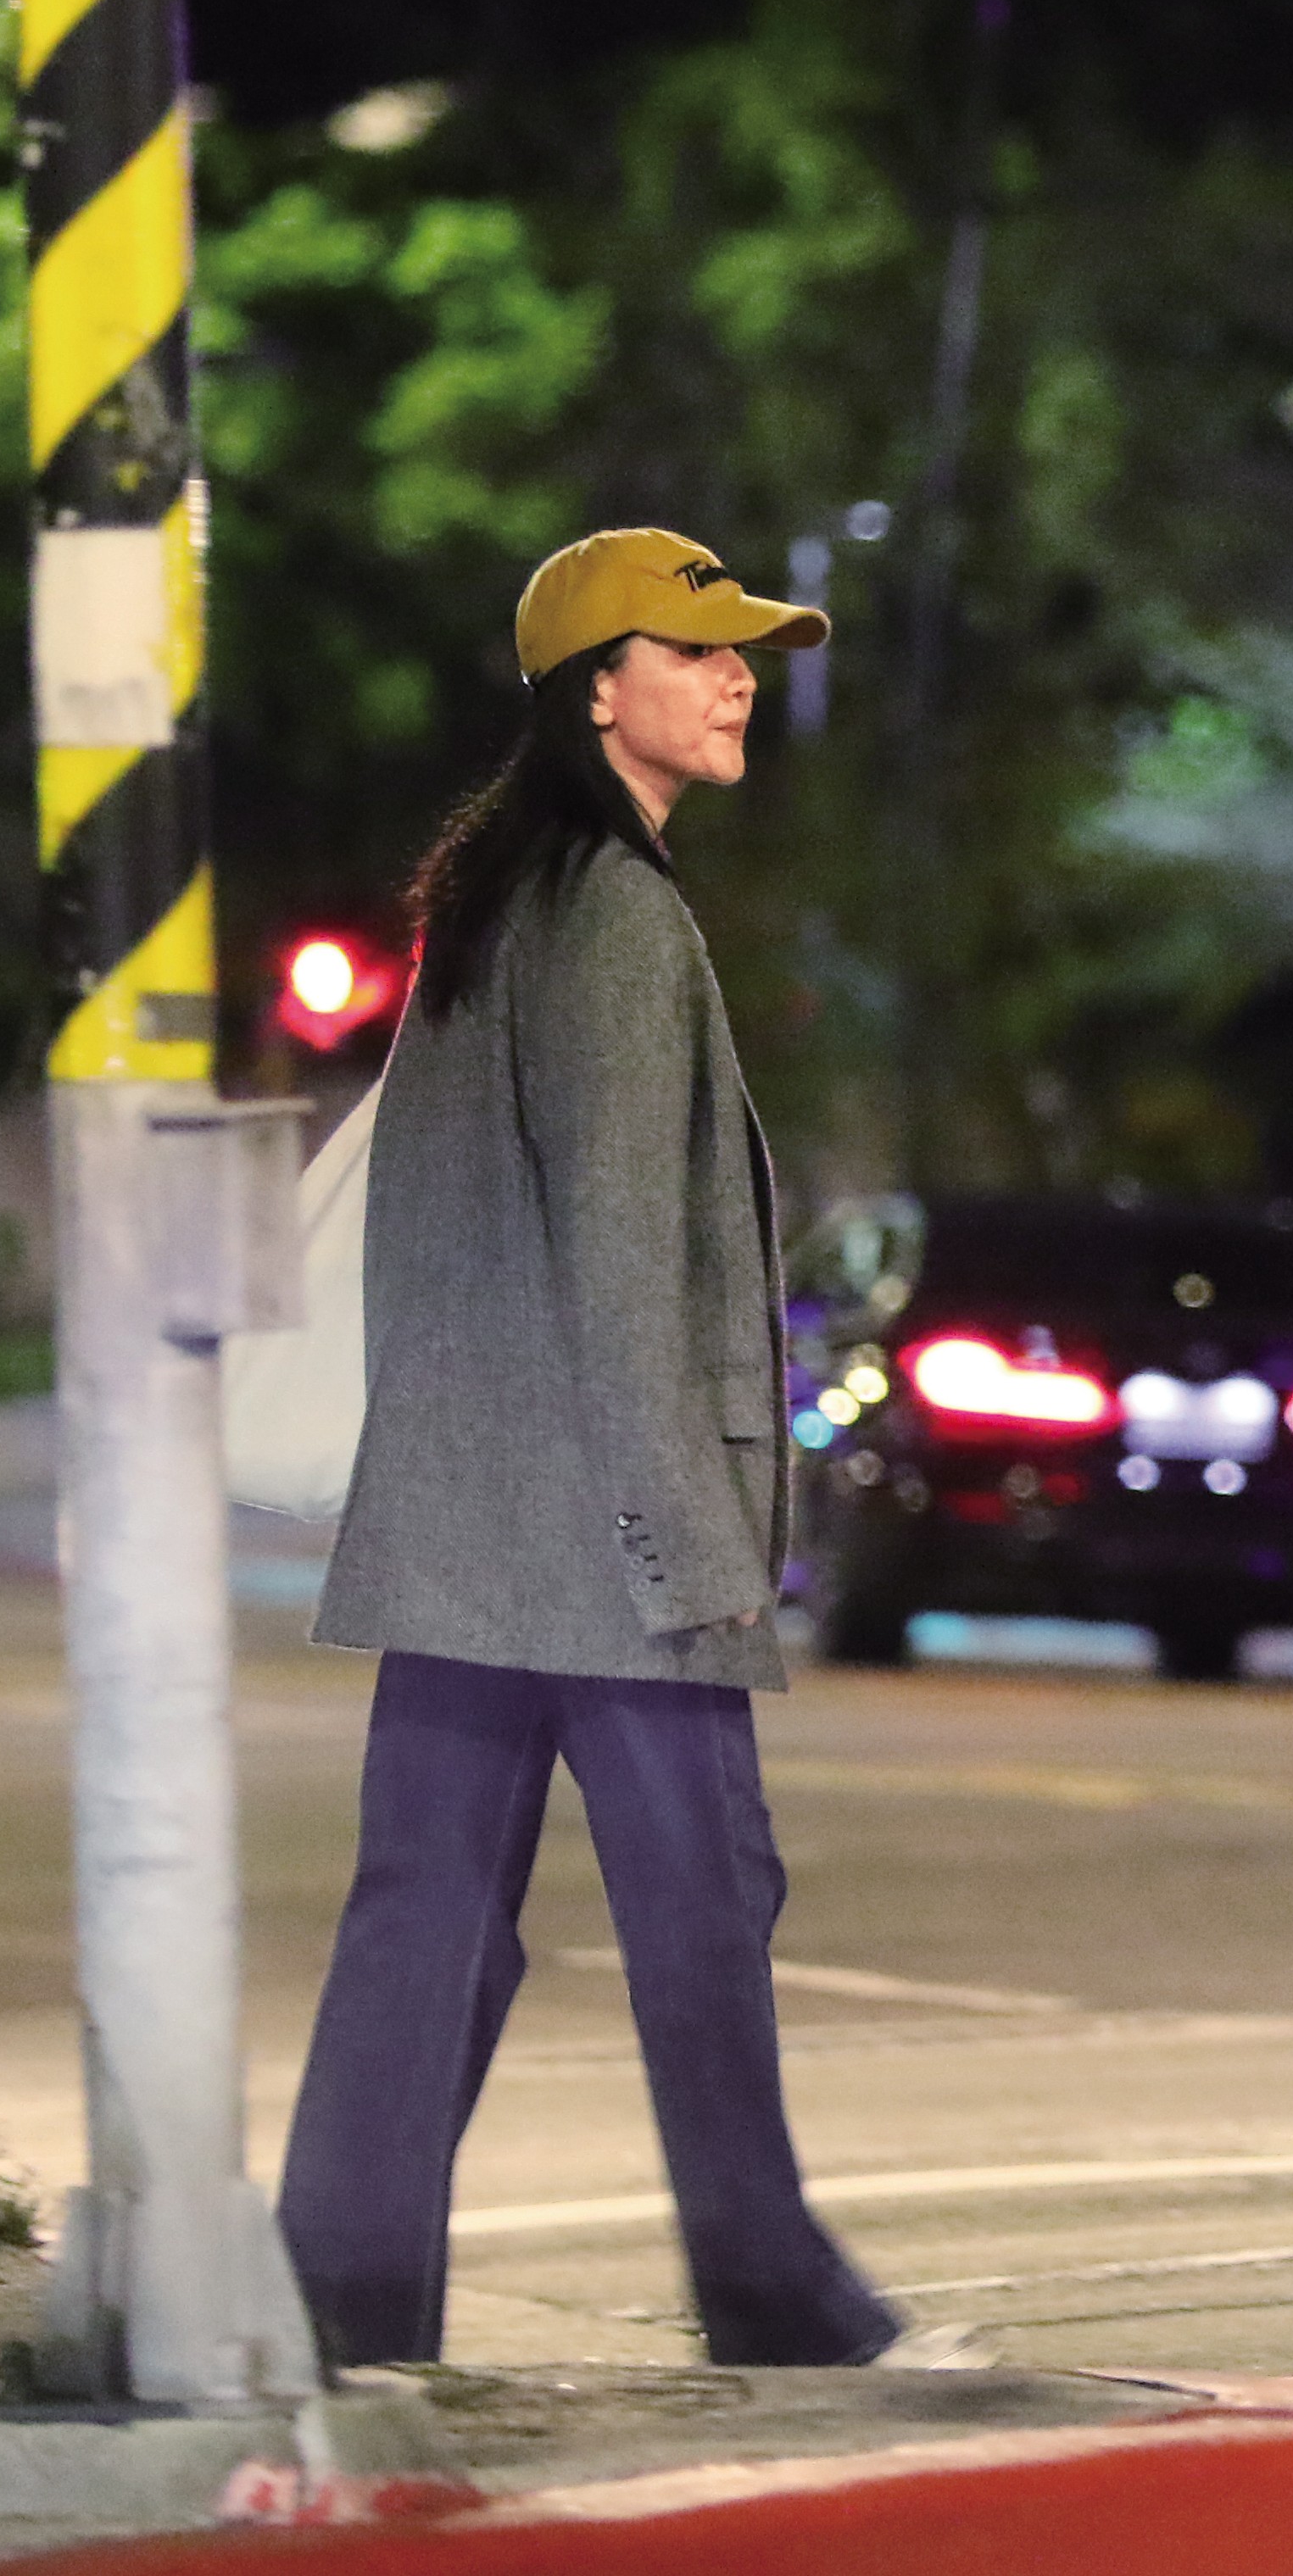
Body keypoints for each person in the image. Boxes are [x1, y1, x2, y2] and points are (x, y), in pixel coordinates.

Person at [285, 527, 944, 2369]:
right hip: (605, 1536)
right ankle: (766, 2283)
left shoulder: (497, 908)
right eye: (699, 649)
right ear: (599, 689)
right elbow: (622, 1270)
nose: (738, 678)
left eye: (745, 653)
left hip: (465, 1521)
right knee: (704, 1907)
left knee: (426, 1915)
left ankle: (338, 2295)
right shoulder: (621, 922)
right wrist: (691, 1555)